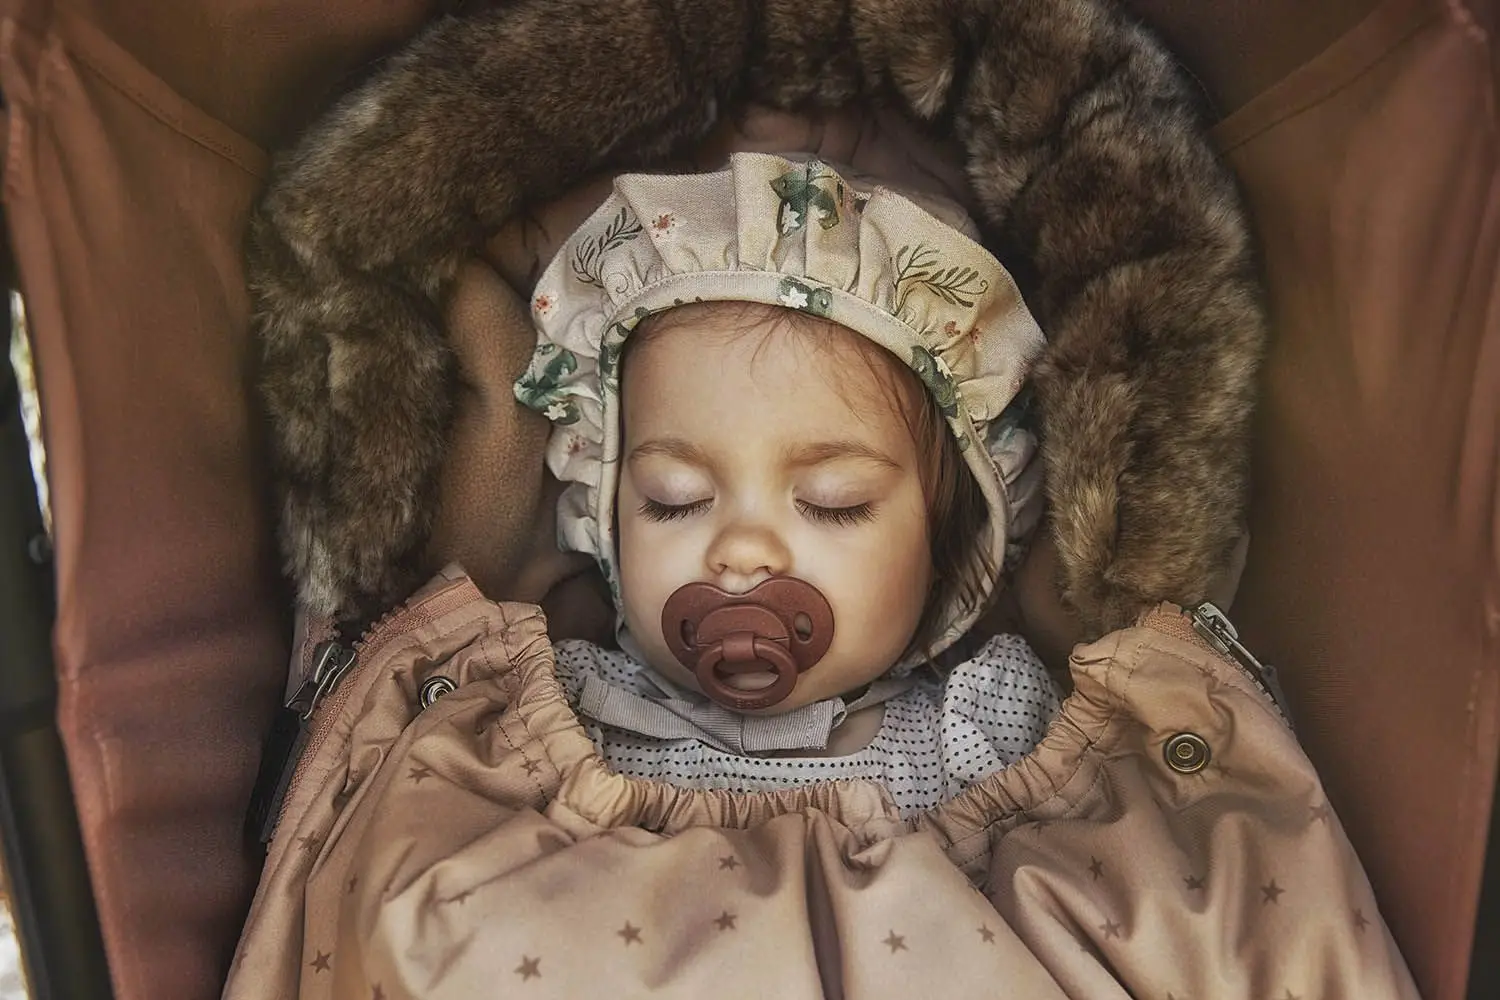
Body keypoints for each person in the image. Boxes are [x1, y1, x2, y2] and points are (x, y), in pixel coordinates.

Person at [514, 151, 1060, 816]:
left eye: (834, 504)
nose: (742, 550)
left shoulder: (984, 738)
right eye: (673, 498)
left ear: (945, 546)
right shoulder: (555, 718)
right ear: (606, 512)